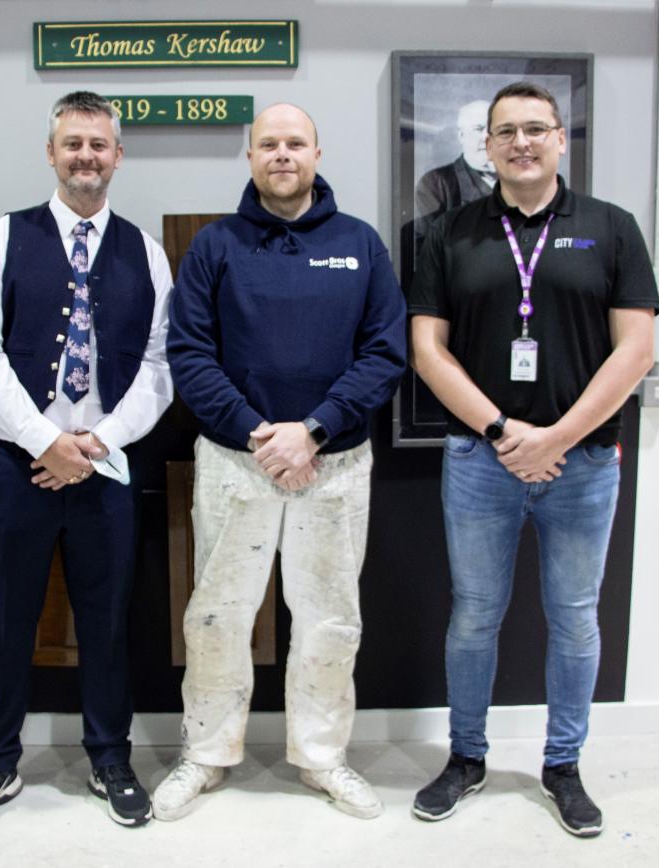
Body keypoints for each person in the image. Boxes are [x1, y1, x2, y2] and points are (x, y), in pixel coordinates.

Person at [408, 81, 659, 838]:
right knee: (474, 616)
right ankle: (466, 758)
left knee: (575, 619)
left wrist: (552, 437)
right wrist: (502, 433)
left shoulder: (612, 229)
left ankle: (563, 766)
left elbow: (636, 350)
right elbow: (427, 350)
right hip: (481, 462)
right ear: (486, 146)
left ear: (560, 139)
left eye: (536, 129)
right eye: (505, 131)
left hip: (581, 464)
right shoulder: (448, 233)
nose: (521, 142)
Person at [156, 103, 406, 821]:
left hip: (334, 463)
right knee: (215, 618)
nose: (283, 155)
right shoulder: (214, 247)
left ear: (318, 153)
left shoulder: (360, 244)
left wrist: (315, 431)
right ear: (251, 157)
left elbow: (385, 351)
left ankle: (323, 758)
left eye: (295, 143)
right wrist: (264, 434)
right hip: (238, 463)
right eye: (269, 144)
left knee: (330, 619)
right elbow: (189, 353)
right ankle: (204, 755)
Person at [0, 91, 172, 833]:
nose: (86, 156)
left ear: (117, 155)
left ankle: (110, 758)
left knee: (108, 624)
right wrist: (45, 442)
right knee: (7, 619)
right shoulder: (0, 239)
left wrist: (97, 444)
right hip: (16, 466)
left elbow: (158, 363)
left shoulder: (145, 249)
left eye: (99, 144)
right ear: (51, 153)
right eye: (72, 143)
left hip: (107, 466)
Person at [415, 99, 497, 221]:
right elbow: (424, 238)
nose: (487, 137)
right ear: (461, 136)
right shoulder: (436, 184)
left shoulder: (517, 178)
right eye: (478, 129)